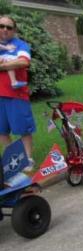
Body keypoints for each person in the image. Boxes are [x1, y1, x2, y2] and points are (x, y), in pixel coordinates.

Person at [0, 16, 36, 171]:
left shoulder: (21, 45)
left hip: (17, 95)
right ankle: (14, 157)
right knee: (1, 131)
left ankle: (28, 159)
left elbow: (24, 62)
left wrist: (3, 65)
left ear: (14, 30)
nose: (5, 29)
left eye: (9, 27)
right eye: (2, 26)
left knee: (23, 129)